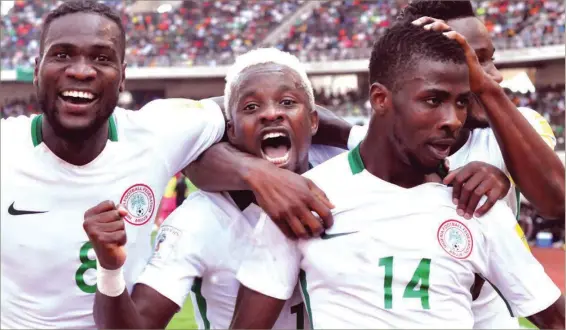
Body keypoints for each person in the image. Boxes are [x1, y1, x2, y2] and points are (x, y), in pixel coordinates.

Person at [0, 1, 332, 328]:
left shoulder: (158, 131)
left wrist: (355, 137)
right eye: (61, 55)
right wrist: (255, 172)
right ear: (36, 68)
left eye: (101, 58)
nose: (81, 70)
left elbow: (256, 104)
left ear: (122, 78)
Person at [229, 22, 564, 329]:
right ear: (380, 99)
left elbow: (554, 317)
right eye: (433, 100)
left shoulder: (475, 204)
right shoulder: (307, 199)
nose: (452, 119)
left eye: (461, 103)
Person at [86, 47, 363, 329]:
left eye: (287, 102)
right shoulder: (199, 221)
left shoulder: (346, 176)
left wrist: (352, 134)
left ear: (314, 122)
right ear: (230, 131)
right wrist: (110, 270)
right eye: (251, 107)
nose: (271, 114)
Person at [399, 1, 565, 328]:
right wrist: (262, 173)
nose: (495, 75)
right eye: (475, 62)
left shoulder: (518, 127)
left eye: (490, 59)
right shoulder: (381, 146)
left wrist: (503, 174)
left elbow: (556, 201)